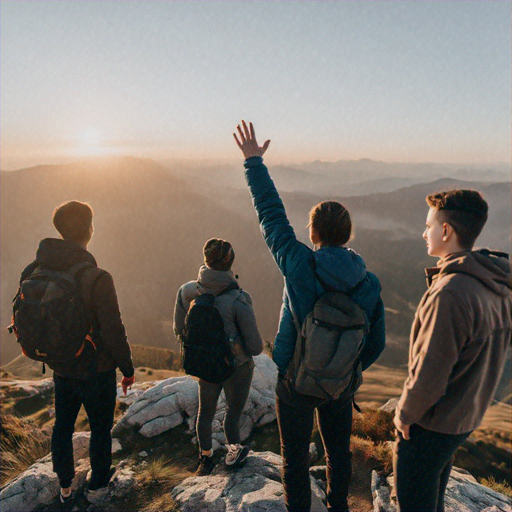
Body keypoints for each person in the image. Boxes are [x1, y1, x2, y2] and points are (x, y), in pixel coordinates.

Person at [233, 121, 386, 512]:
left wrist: (254, 163)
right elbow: (377, 342)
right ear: (348, 235)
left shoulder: (299, 265)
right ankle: (338, 507)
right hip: (340, 387)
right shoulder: (368, 285)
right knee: (338, 455)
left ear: (313, 233)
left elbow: (272, 217)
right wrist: (346, 367)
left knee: (295, 460)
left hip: (295, 383)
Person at [393, 190, 512, 512]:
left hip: (432, 422)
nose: (424, 232)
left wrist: (404, 414)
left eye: (429, 225)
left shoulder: (451, 293)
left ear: (446, 231)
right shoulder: (496, 284)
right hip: (465, 416)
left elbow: (431, 371)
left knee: (415, 502)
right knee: (433, 493)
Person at [16, 201, 135, 508]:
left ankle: (65, 487)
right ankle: (96, 487)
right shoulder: (96, 277)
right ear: (89, 230)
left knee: (63, 428)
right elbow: (113, 329)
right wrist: (127, 367)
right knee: (99, 430)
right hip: (97, 370)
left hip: (61, 365)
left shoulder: (34, 269)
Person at [174, 238, 263, 475]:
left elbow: (179, 330)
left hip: (205, 363)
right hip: (236, 367)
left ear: (206, 260)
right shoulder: (239, 298)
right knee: (232, 416)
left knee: (205, 413)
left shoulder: (187, 291)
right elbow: (254, 347)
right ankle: (233, 454)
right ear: (230, 262)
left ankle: (205, 458)